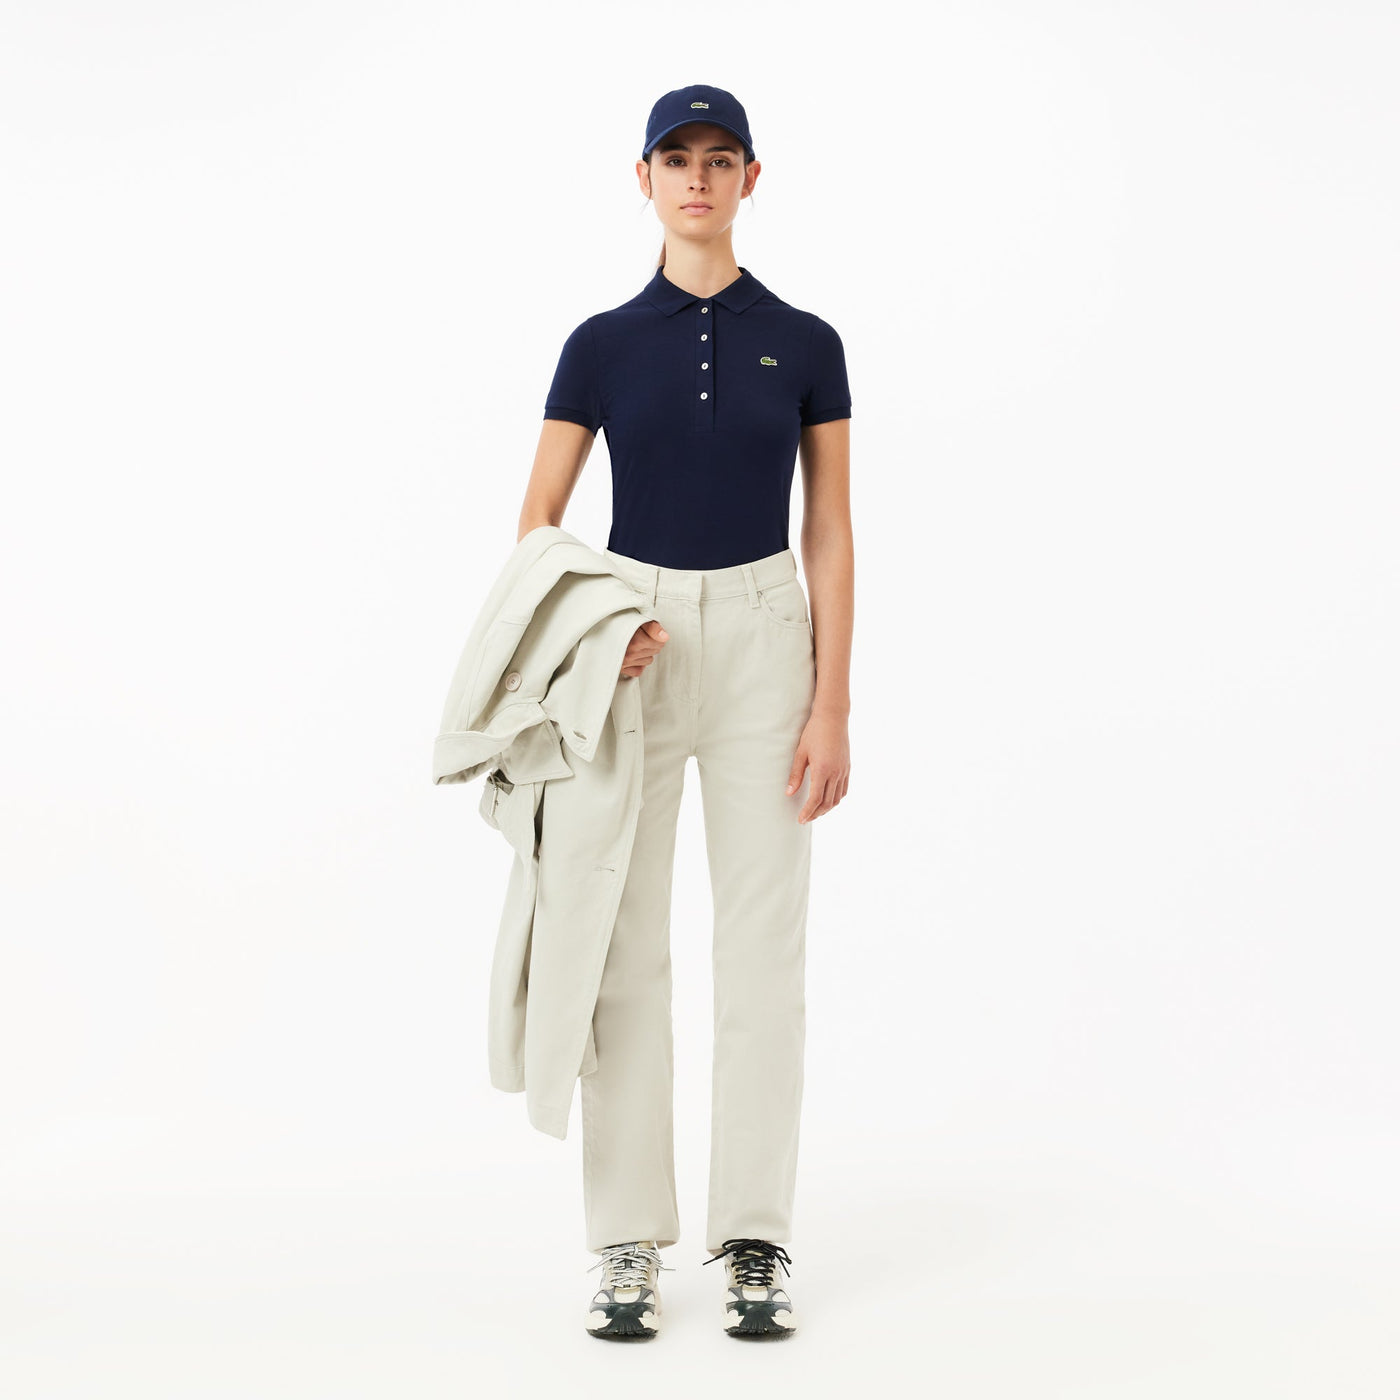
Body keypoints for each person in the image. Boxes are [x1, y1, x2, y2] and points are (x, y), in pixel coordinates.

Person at [517, 84, 853, 1341]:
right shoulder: (600, 344)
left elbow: (827, 527)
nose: (697, 179)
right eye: (677, 158)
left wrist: (830, 699)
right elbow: (538, 524)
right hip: (633, 648)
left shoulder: (805, 339)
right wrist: (596, 633)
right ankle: (624, 1237)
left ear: (751, 178)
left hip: (767, 639)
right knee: (620, 941)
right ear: (644, 178)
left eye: (720, 159)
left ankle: (755, 1232)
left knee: (762, 946)